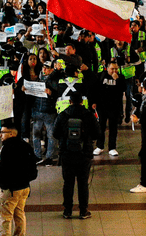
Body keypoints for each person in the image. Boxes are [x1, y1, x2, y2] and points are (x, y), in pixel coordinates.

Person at [53, 91, 101, 220]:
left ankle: (67, 211)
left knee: (68, 183)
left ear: (70, 101)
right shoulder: (89, 115)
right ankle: (83, 210)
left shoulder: (63, 115)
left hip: (67, 154)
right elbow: (97, 134)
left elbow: (55, 133)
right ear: (81, 101)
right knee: (83, 183)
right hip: (84, 154)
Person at [0, 125, 36, 236]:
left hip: (10, 189)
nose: (0, 135)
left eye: (3, 132)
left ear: (12, 134)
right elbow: (33, 168)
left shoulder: (7, 148)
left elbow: (4, 170)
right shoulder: (26, 146)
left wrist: (2, 183)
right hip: (24, 188)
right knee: (20, 214)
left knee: (5, 218)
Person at [95, 62, 126, 156]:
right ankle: (99, 146)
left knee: (113, 127)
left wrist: (118, 80)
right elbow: (95, 89)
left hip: (114, 106)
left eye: (116, 69)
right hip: (102, 106)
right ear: (107, 68)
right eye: (112, 69)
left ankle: (112, 147)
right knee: (101, 126)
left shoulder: (121, 77)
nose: (114, 71)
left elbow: (123, 89)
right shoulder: (100, 76)